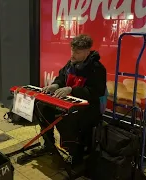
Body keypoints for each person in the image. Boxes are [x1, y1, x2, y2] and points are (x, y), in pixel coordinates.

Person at [33, 34, 107, 166]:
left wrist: (71, 90)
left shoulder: (97, 68)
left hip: (89, 107)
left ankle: (75, 154)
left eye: (77, 52)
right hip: (68, 102)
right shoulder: (71, 63)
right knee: (41, 107)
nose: (72, 54)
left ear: (87, 52)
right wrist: (55, 85)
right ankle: (48, 143)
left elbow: (95, 92)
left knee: (66, 117)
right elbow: (61, 77)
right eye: (72, 50)